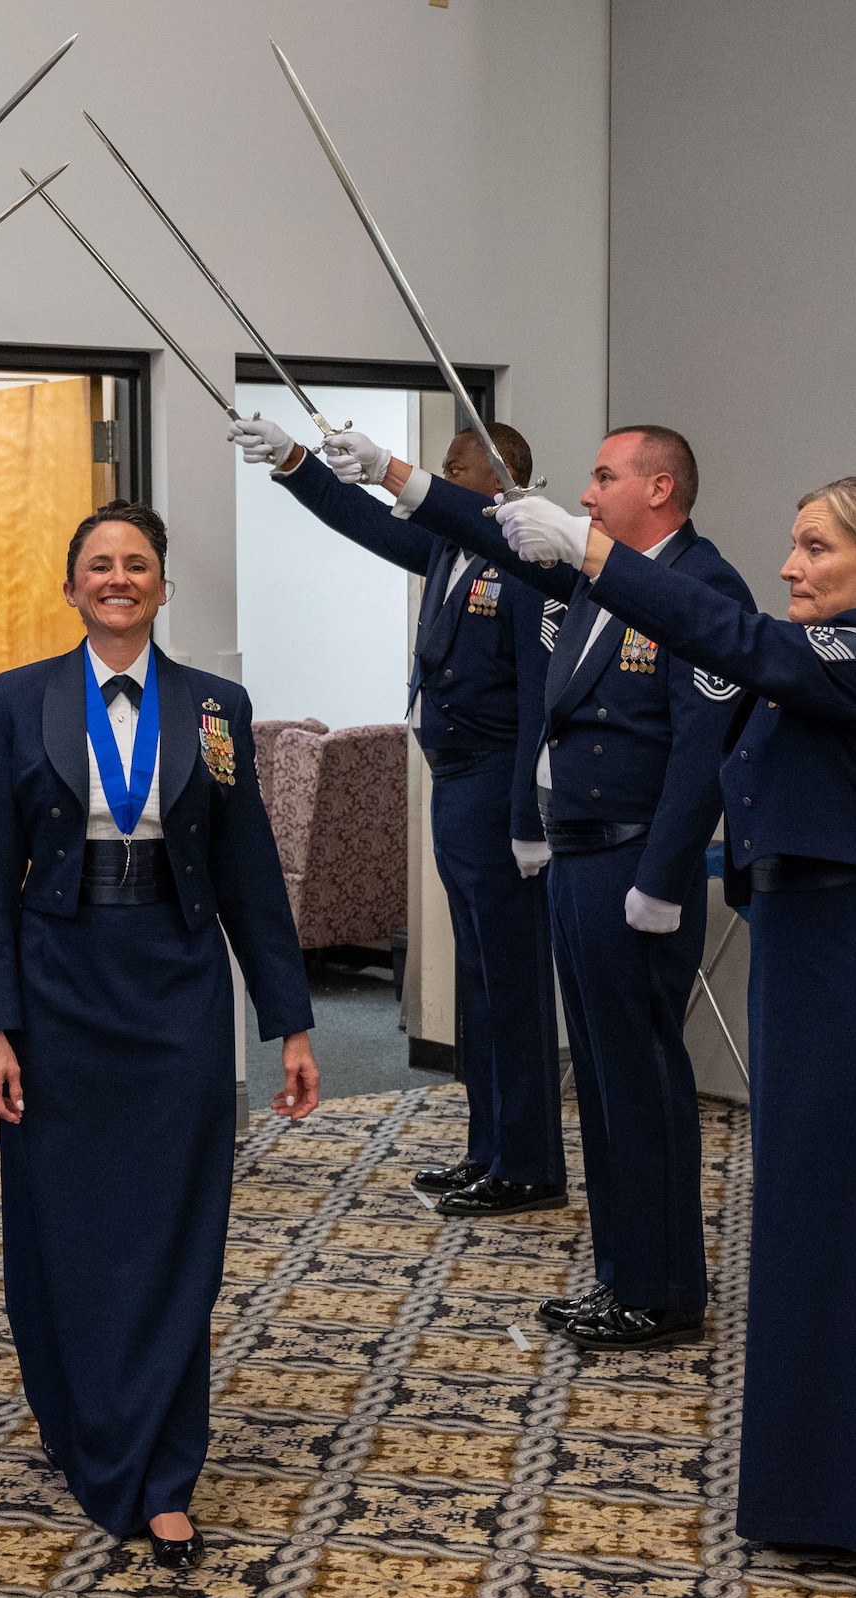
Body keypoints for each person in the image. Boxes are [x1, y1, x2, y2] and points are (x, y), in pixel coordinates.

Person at [497, 476, 856, 1561]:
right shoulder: (822, 649)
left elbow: (738, 641)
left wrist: (594, 553)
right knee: (812, 1228)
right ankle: (829, 1487)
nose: (789, 565)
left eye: (813, 548)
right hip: (804, 957)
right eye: (792, 544)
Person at [0, 501, 320, 1567]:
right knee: (67, 1224)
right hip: (60, 983)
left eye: (137, 566)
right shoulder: (19, 703)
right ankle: (81, 1420)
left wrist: (290, 1018)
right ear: (69, 587)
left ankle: (162, 1466)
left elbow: (250, 867)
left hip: (174, 986)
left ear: (162, 586)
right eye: (98, 566)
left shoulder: (213, 709)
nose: (117, 580)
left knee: (174, 1230)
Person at [358, 425, 756, 1353]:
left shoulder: (701, 585)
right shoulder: (597, 578)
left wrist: (662, 880)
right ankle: (624, 1274)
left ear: (660, 489)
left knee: (642, 1083)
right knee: (608, 1086)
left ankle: (662, 1288)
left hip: (632, 864)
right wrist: (388, 473)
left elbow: (702, 749)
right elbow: (488, 530)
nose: (584, 493)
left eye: (605, 476)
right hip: (583, 857)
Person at [232, 414, 565, 1218]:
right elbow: (360, 522)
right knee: (479, 978)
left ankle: (528, 1164)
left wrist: (528, 815)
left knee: (512, 982)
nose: (441, 478)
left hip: (494, 784)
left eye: (455, 467)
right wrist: (294, 461)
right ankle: (489, 1149)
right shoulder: (448, 549)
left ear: (502, 481)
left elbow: (537, 704)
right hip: (451, 779)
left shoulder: (521, 558)